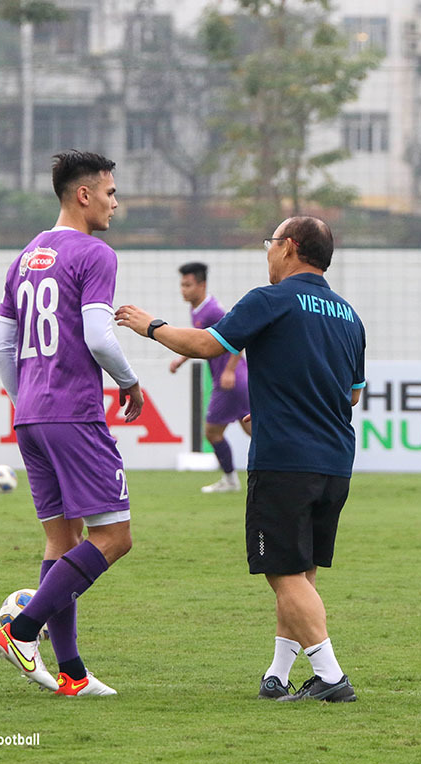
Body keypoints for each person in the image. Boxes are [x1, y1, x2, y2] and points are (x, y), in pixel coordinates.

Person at [116, 216, 365, 703]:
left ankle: (332, 678)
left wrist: (151, 325)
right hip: (335, 460)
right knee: (301, 570)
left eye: (270, 242)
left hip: (285, 459)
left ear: (290, 248)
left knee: (283, 572)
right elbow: (351, 395)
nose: (266, 251)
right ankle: (277, 675)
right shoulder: (349, 315)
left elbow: (207, 344)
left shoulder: (270, 299)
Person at [0, 150, 143, 697]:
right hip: (74, 413)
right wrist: (128, 381)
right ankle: (22, 629)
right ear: (84, 195)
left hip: (30, 417)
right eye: (110, 192)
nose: (114, 202)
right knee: (115, 537)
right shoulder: (94, 254)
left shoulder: (26, 254)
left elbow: (0, 347)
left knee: (62, 540)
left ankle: (72, 673)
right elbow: (101, 337)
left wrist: (25, 396)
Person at [169, 262, 251, 493]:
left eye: (188, 285)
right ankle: (274, 473)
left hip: (231, 382)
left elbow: (238, 338)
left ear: (202, 285)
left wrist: (228, 370)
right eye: (182, 285)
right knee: (252, 431)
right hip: (232, 380)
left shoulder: (212, 310)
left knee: (213, 432)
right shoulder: (197, 309)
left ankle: (232, 480)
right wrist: (181, 359)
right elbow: (200, 341)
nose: (183, 289)